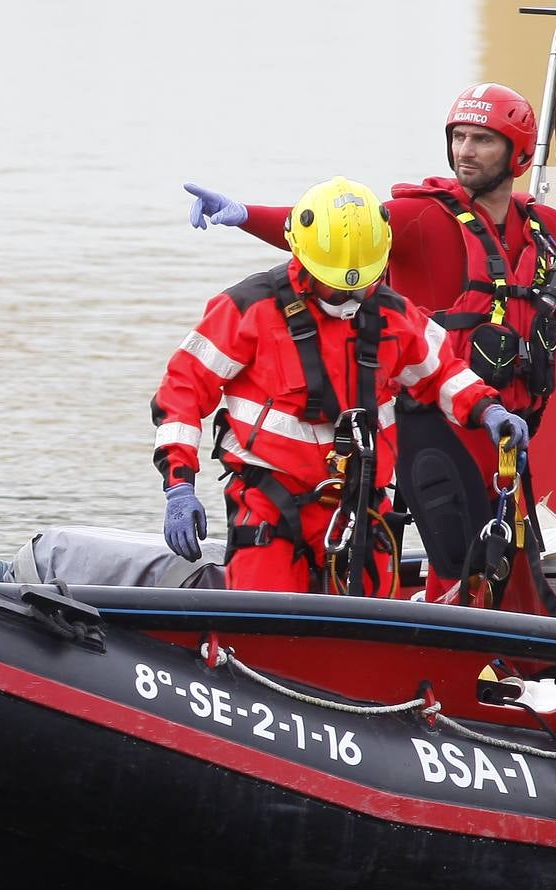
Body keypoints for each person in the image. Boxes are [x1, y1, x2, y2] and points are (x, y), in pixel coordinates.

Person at [183, 83, 556, 603]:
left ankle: (520, 668)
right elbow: (331, 228)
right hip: (433, 422)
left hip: (498, 426)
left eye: (482, 139)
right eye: (458, 137)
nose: (465, 151)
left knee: (512, 563)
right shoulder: (421, 218)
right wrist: (242, 215)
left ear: (517, 155)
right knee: (462, 559)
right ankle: (443, 667)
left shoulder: (534, 226)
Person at [153, 176, 529, 595]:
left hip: (362, 505)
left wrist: (487, 409)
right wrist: (180, 485)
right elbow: (183, 390)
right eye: (335, 286)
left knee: (373, 628)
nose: (348, 298)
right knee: (264, 619)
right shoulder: (248, 309)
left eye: (361, 285)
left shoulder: (392, 315)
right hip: (270, 501)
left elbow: (441, 372)